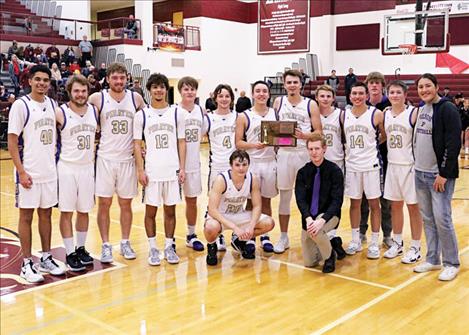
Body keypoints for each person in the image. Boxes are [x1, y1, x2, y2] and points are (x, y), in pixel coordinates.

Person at [7, 64, 65, 283]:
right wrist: (21, 171)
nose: (42, 83)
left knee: (46, 214)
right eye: (38, 79)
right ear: (29, 81)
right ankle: (26, 262)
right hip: (28, 172)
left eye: (45, 80)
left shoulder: (52, 104)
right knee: (26, 216)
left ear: (50, 84)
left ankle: (46, 257)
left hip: (49, 172)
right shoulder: (21, 106)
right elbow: (12, 141)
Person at [88, 62, 145, 263]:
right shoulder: (97, 98)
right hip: (105, 158)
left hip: (128, 159)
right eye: (115, 78)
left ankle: (125, 242)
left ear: (127, 78)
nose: (119, 81)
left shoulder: (135, 98)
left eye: (122, 78)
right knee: (104, 203)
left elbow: (146, 122)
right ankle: (105, 245)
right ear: (108, 79)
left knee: (126, 204)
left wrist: (144, 145)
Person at [413, 73, 461, 281]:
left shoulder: (447, 109)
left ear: (437, 86)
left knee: (443, 219)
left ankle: (451, 263)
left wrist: (443, 173)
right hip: (420, 173)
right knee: (428, 219)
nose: (424, 90)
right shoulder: (421, 109)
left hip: (438, 175)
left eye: (428, 86)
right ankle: (433, 259)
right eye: (421, 87)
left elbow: (453, 144)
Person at [134, 73, 186, 266]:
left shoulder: (176, 113)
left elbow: (182, 142)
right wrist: (140, 170)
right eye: (155, 87)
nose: (158, 90)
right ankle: (153, 247)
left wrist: (182, 168)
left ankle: (169, 246)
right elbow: (137, 144)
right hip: (152, 171)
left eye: (162, 87)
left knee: (170, 211)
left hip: (172, 170)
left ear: (166, 89)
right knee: (150, 212)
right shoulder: (141, 115)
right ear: (149, 90)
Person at [272, 69, 321, 254]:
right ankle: (283, 237)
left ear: (301, 84)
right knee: (284, 197)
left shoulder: (311, 104)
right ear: (284, 85)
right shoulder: (278, 102)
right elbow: (274, 129)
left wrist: (304, 135)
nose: (292, 85)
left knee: (307, 198)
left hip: (303, 153)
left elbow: (319, 132)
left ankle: (310, 237)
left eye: (295, 82)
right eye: (289, 82)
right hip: (284, 153)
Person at [56, 74, 97, 271]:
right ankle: (70, 251)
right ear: (69, 92)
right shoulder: (60, 112)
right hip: (67, 167)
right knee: (66, 211)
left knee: (84, 210)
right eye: (76, 91)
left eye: (83, 91)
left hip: (88, 167)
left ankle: (81, 248)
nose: (80, 95)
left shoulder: (94, 111)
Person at [204, 150, 275, 265]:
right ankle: (212, 245)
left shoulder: (253, 179)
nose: (241, 168)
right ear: (231, 165)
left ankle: (239, 241)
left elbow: (257, 206)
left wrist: (251, 227)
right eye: (237, 165)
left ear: (248, 165)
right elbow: (212, 210)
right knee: (210, 227)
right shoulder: (221, 180)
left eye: (244, 164)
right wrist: (235, 229)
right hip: (220, 216)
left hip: (238, 214)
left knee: (269, 223)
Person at [382, 80, 423, 263]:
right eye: (392, 92)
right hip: (392, 165)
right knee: (395, 206)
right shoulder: (385, 114)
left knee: (413, 207)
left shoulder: (414, 113)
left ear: (405, 95)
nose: (395, 95)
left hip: (410, 166)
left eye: (398, 92)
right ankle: (397, 243)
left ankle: (415, 246)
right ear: (388, 94)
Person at [342, 82, 385, 259]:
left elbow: (384, 135)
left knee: (375, 204)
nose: (357, 96)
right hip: (352, 165)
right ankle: (355, 240)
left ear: (367, 95)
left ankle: (374, 242)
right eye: (354, 93)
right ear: (350, 96)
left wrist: (371, 147)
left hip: (371, 165)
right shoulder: (344, 115)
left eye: (361, 93)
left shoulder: (376, 114)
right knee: (355, 204)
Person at [235, 80, 277, 253]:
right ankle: (250, 236)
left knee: (266, 201)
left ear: (268, 94)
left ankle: (265, 236)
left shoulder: (275, 113)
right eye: (258, 91)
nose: (261, 94)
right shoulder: (244, 116)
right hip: (252, 164)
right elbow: (238, 143)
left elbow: (283, 138)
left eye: (264, 91)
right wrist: (254, 145)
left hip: (270, 162)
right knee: (251, 202)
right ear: (253, 94)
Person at [295, 134, 345, 272]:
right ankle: (333, 244)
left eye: (317, 148)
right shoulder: (303, 172)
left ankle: (330, 257)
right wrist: (308, 218)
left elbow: (337, 201)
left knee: (317, 232)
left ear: (324, 149)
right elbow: (300, 200)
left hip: (329, 216)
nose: (314, 152)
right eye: (310, 149)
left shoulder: (334, 171)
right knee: (310, 263)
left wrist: (321, 220)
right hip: (309, 219)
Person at [203, 84, 237, 251]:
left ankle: (236, 236)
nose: (224, 99)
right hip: (216, 166)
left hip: (235, 168)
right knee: (215, 204)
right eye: (221, 96)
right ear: (215, 98)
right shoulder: (208, 118)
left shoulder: (238, 117)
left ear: (231, 99)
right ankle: (216, 236)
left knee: (233, 203)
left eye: (227, 96)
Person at [360, 72, 392, 248]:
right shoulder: (359, 104)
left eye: (377, 83)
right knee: (363, 197)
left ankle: (387, 234)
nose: (374, 85)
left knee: (384, 199)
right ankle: (362, 232)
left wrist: (373, 144)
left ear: (382, 86)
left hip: (384, 158)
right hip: (363, 159)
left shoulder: (389, 104)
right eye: (371, 82)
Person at [175, 76, 205, 252]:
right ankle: (170, 240)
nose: (190, 92)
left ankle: (191, 234)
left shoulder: (201, 111)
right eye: (186, 89)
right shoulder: (174, 110)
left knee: (192, 201)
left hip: (194, 163)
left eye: (192, 89)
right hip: (175, 164)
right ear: (180, 91)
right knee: (169, 203)